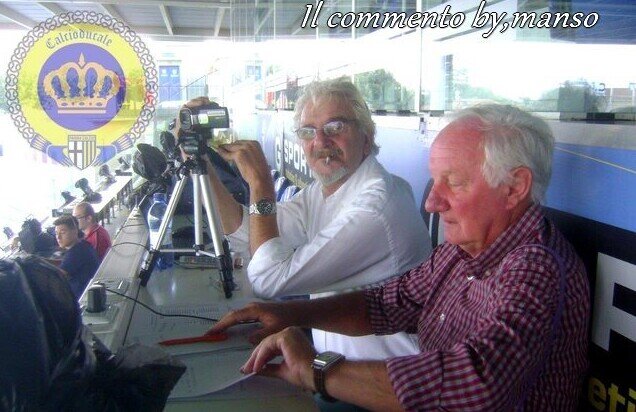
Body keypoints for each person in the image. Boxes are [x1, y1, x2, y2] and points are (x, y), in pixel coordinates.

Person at [210, 104, 591, 411]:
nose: (432, 201)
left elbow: (477, 384)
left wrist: (316, 370)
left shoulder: (536, 266)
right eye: (435, 180)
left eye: (454, 182)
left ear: (514, 188)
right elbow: (387, 303)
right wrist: (289, 314)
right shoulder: (464, 248)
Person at [178, 77, 432, 362]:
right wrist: (198, 161)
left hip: (386, 378)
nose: (320, 141)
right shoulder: (325, 190)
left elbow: (268, 280)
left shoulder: (377, 206)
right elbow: (246, 233)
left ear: (367, 137)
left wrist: (260, 184)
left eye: (336, 127)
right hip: (336, 367)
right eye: (308, 131)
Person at [53, 215, 99, 299]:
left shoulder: (75, 254)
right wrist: (40, 261)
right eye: (56, 233)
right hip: (90, 292)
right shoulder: (83, 245)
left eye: (62, 232)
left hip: (81, 299)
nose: (58, 237)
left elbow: (55, 278)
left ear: (75, 231)